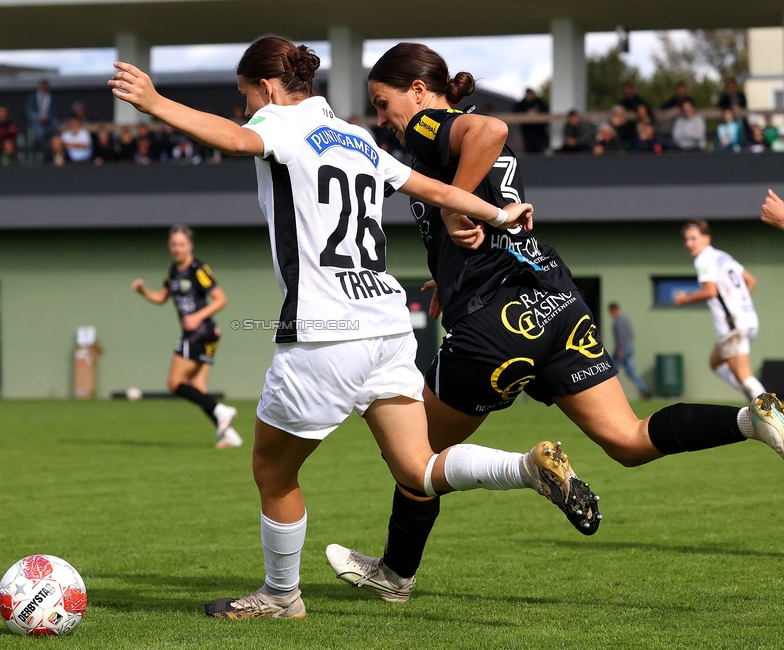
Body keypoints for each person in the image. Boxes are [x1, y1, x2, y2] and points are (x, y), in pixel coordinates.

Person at [324, 42, 784, 604]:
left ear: (418, 91)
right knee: (628, 440)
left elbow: (490, 130)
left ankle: (400, 572)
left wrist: (455, 205)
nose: (382, 119)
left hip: (496, 318)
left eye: (382, 102)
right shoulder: (440, 138)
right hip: (553, 299)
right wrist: (448, 274)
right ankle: (750, 419)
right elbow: (484, 207)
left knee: (412, 455)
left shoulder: (429, 125)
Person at [110, 34, 539, 620]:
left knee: (272, 469)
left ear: (266, 88)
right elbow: (432, 188)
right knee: (417, 466)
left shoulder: (282, 127)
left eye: (245, 96)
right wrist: (497, 212)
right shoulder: (358, 138)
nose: (245, 109)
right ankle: (525, 466)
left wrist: (155, 102)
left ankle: (281, 596)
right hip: (389, 326)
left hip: (325, 330)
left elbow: (236, 138)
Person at [131, 225, 241, 449]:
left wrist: (198, 316)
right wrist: (143, 291)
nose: (177, 248)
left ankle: (222, 411)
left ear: (190, 245)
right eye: (173, 244)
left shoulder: (198, 269)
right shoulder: (173, 271)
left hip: (199, 333)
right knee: (198, 386)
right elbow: (162, 298)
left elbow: (221, 299)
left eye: (181, 244)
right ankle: (229, 434)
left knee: (174, 383)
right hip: (204, 334)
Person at [674, 220, 767, 401]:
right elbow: (751, 280)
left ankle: (773, 417)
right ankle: (756, 401)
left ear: (707, 238)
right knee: (715, 362)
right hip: (748, 319)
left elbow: (710, 291)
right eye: (686, 239)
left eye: (693, 238)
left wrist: (684, 300)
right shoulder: (723, 256)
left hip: (732, 323)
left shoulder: (703, 259)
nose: (688, 244)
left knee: (744, 375)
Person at [608, 303, 651, 399]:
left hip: (622, 348)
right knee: (630, 372)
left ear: (613, 309)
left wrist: (620, 349)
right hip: (629, 347)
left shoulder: (618, 321)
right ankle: (644, 389)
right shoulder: (626, 319)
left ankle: (614, 393)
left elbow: (620, 336)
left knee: (612, 370)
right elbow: (631, 335)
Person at [511, 88, 549, 153]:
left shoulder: (539, 102)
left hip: (539, 131)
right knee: (529, 150)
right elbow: (515, 112)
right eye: (527, 94)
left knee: (540, 150)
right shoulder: (522, 104)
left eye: (530, 94)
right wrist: (526, 113)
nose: (529, 96)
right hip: (527, 132)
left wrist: (536, 113)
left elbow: (546, 111)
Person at [26, 79, 58, 153]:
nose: (44, 87)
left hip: (48, 119)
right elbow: (29, 110)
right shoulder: (33, 97)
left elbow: (54, 110)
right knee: (40, 132)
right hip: (36, 120)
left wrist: (47, 117)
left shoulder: (51, 97)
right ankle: (36, 150)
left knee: (55, 124)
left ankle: (45, 140)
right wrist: (38, 117)